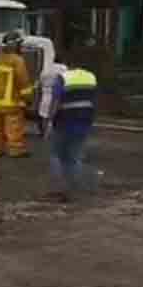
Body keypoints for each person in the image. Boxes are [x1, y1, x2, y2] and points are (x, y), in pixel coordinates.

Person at [45, 64, 98, 202]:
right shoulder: (90, 78)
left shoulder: (63, 78)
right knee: (75, 158)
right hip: (84, 123)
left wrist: (49, 122)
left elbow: (55, 102)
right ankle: (73, 190)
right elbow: (93, 101)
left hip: (64, 123)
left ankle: (58, 190)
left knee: (56, 155)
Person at [0, 30, 34, 158]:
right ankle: (15, 150)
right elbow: (23, 82)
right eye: (19, 44)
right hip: (12, 103)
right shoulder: (17, 61)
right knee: (14, 128)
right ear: (15, 45)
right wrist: (29, 98)